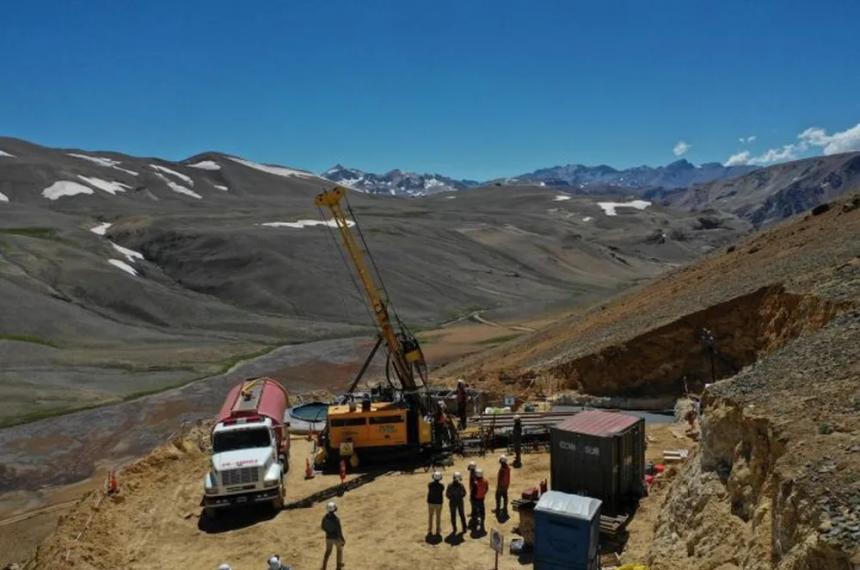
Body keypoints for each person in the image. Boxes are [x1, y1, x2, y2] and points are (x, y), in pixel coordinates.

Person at [321, 501, 345, 570]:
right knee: (339, 551)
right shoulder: (336, 519)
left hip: (328, 537)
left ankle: (324, 566)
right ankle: (338, 566)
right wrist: (342, 539)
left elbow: (322, 527)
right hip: (336, 538)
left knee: (328, 551)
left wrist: (328, 531)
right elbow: (339, 531)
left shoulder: (324, 518)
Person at [427, 471, 444, 535]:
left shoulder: (430, 484)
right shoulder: (441, 486)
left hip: (431, 502)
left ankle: (430, 530)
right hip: (438, 503)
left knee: (430, 516)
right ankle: (438, 530)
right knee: (438, 517)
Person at [473, 467, 489, 533]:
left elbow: (473, 492)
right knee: (482, 511)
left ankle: (476, 522)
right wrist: (483, 494)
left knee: (476, 511)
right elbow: (486, 489)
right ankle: (482, 523)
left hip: (476, 499)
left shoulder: (475, 483)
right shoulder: (485, 481)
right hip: (482, 498)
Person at [467, 461, 477, 528]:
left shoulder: (473, 474)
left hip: (473, 491)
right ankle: (474, 513)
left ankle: (474, 515)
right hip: (473, 490)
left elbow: (474, 484)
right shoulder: (473, 472)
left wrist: (472, 491)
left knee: (473, 503)